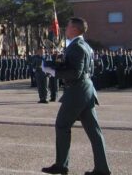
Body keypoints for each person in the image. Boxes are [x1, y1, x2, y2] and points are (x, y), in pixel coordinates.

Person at [41, 17, 111, 175]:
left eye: (68, 26)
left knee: (62, 125)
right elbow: (77, 67)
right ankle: (102, 169)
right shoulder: (85, 46)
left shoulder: (77, 47)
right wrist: (54, 63)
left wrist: (52, 71)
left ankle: (61, 165)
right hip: (85, 90)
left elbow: (75, 73)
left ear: (74, 29)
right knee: (94, 131)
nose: (65, 29)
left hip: (77, 91)